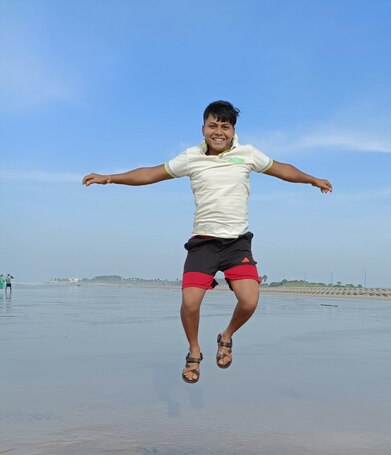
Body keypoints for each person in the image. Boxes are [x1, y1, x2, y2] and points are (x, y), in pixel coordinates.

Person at [82, 101, 332, 383]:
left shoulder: (247, 154)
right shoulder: (191, 158)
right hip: (203, 243)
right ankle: (194, 351)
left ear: (233, 131)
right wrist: (109, 178)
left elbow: (282, 169)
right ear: (203, 129)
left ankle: (226, 337)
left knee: (249, 301)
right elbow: (151, 173)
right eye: (213, 125)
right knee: (190, 302)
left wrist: (312, 179)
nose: (219, 132)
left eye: (225, 126)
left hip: (237, 243)